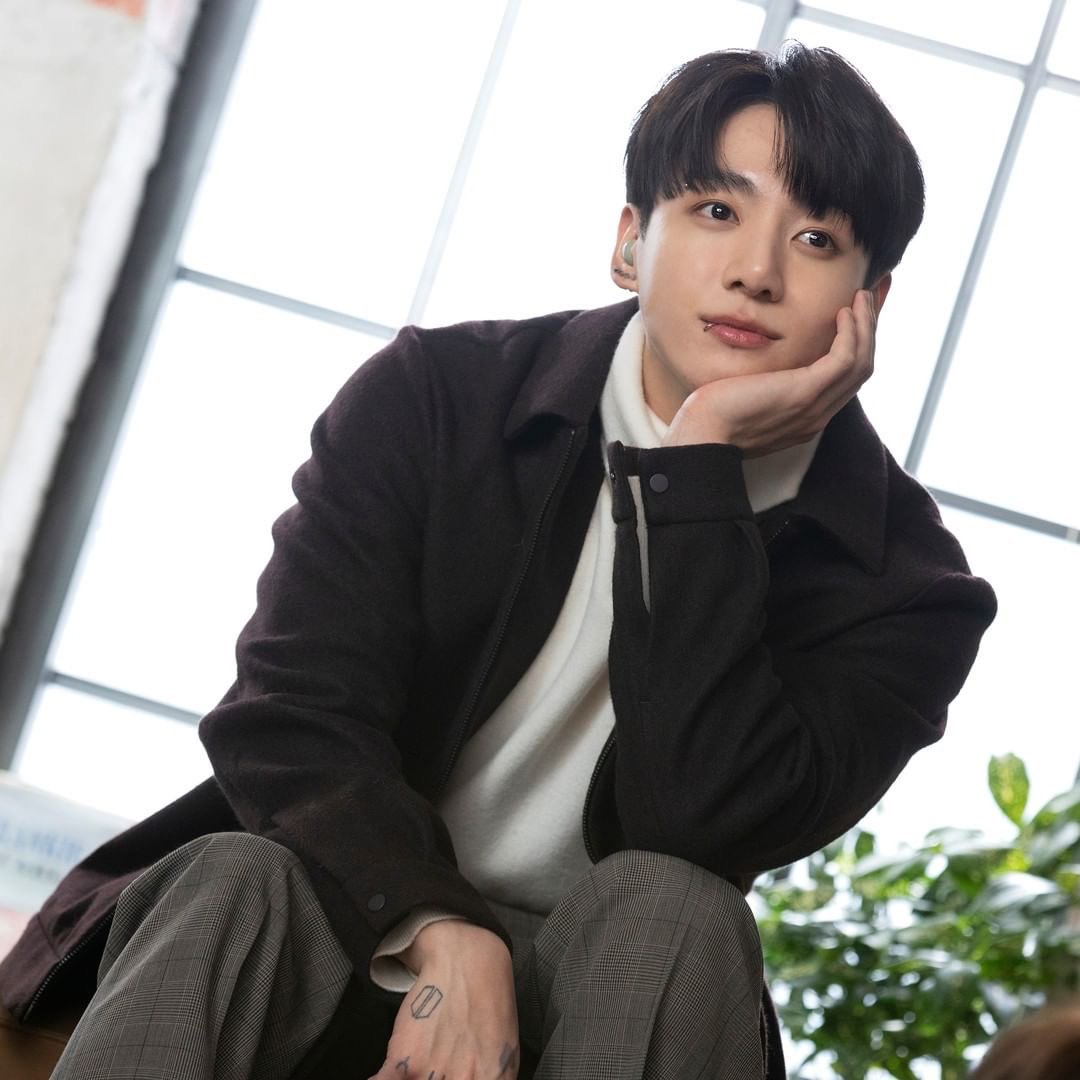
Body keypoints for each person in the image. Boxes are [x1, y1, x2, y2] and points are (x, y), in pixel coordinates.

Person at [0, 42, 996, 1079]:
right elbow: (290, 717)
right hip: (353, 917)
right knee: (239, 876)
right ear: (630, 242)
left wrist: (692, 470)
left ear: (870, 300)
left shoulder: (906, 591)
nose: (757, 271)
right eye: (716, 210)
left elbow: (697, 823)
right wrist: (440, 928)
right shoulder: (438, 398)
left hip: (615, 1003)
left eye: (816, 238)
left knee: (673, 910)